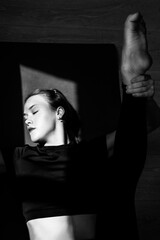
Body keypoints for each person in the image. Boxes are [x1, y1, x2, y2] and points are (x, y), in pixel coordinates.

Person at [2, 12, 156, 240]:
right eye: (24, 116)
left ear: (59, 112)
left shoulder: (91, 152)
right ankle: (132, 82)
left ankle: (132, 80)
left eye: (34, 111)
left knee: (120, 166)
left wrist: (141, 90)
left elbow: (149, 123)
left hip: (102, 217)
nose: (27, 119)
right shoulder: (19, 157)